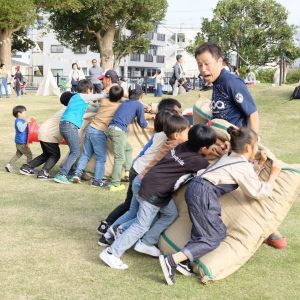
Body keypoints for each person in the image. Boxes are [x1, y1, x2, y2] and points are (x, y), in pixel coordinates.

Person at [159, 126, 281, 285]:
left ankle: (184, 262)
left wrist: (260, 163)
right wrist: (273, 175)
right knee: (213, 236)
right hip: (204, 193)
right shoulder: (241, 165)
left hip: (197, 189)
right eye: (257, 145)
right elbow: (257, 191)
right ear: (248, 147)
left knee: (206, 232)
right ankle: (172, 260)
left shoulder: (232, 156)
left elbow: (246, 176)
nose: (257, 148)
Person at [195, 42, 284, 247]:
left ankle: (272, 231)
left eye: (207, 64)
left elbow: (252, 113)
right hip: (228, 148)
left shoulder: (230, 81)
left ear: (220, 61)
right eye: (200, 65)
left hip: (241, 149)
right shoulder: (217, 83)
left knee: (248, 189)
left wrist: (251, 148)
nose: (203, 69)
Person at [99, 124, 218, 270]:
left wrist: (210, 150)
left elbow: (202, 154)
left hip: (149, 182)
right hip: (155, 192)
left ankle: (146, 243)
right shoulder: (198, 161)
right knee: (141, 225)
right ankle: (112, 253)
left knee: (170, 213)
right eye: (211, 146)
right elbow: (210, 164)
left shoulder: (183, 145)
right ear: (203, 148)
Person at [97, 98, 183, 236]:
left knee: (131, 206)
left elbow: (145, 151)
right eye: (178, 113)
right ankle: (109, 226)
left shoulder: (158, 134)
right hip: (140, 172)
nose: (180, 116)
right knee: (132, 207)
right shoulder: (166, 137)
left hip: (136, 168)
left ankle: (108, 226)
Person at [54, 79, 106, 184]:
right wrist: (108, 94)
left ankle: (68, 173)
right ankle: (61, 174)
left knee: (74, 150)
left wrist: (98, 108)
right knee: (76, 151)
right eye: (91, 90)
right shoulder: (84, 96)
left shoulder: (75, 97)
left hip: (64, 124)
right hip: (69, 125)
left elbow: (89, 109)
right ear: (88, 90)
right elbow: (96, 97)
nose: (92, 93)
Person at [72, 85, 124, 187]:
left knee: (86, 154)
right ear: (120, 97)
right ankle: (97, 180)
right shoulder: (119, 106)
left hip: (90, 128)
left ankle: (77, 174)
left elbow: (104, 93)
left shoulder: (103, 101)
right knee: (100, 158)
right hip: (99, 132)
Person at [19, 92, 73, 179]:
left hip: (42, 132)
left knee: (46, 154)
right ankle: (44, 172)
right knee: (55, 155)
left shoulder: (64, 108)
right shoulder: (68, 110)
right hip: (49, 135)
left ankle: (27, 167)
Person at [107, 83, 148, 192]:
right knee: (119, 158)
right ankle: (114, 184)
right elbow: (142, 123)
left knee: (128, 148)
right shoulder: (138, 105)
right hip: (119, 132)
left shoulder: (125, 102)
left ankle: (127, 172)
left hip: (111, 129)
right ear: (140, 95)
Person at [5, 105, 32, 173]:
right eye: (24, 113)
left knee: (18, 154)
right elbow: (21, 129)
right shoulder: (18, 121)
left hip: (20, 142)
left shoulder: (21, 120)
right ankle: (28, 168)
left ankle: (9, 165)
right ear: (19, 114)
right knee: (29, 155)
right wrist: (26, 122)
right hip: (21, 142)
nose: (26, 114)